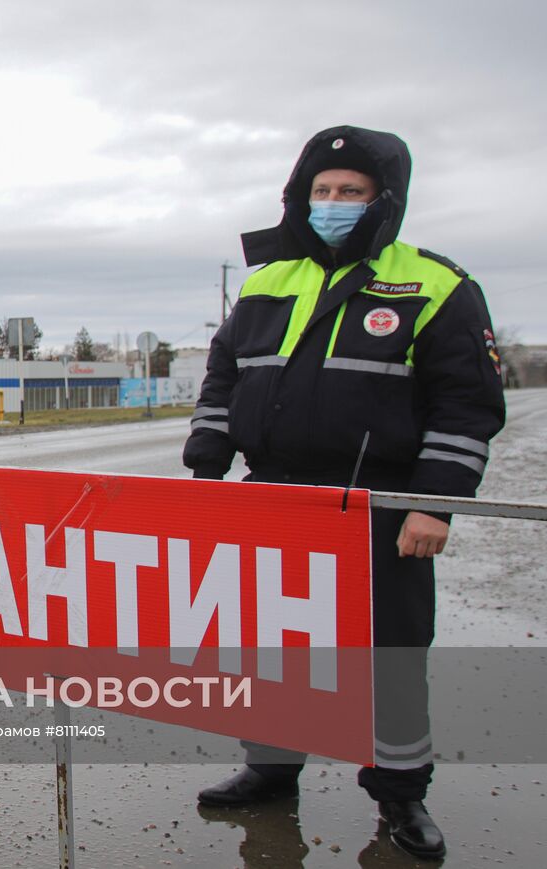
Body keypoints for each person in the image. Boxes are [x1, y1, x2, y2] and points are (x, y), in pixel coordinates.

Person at [183, 125, 505, 860]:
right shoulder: (270, 280)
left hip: (380, 508)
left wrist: (435, 501)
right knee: (271, 646)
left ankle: (400, 795)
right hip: (273, 500)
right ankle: (271, 765)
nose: (333, 203)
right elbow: (224, 378)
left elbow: (467, 406)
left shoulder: (436, 284)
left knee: (387, 653)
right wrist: (208, 467)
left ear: (382, 200)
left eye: (350, 192)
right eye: (321, 192)